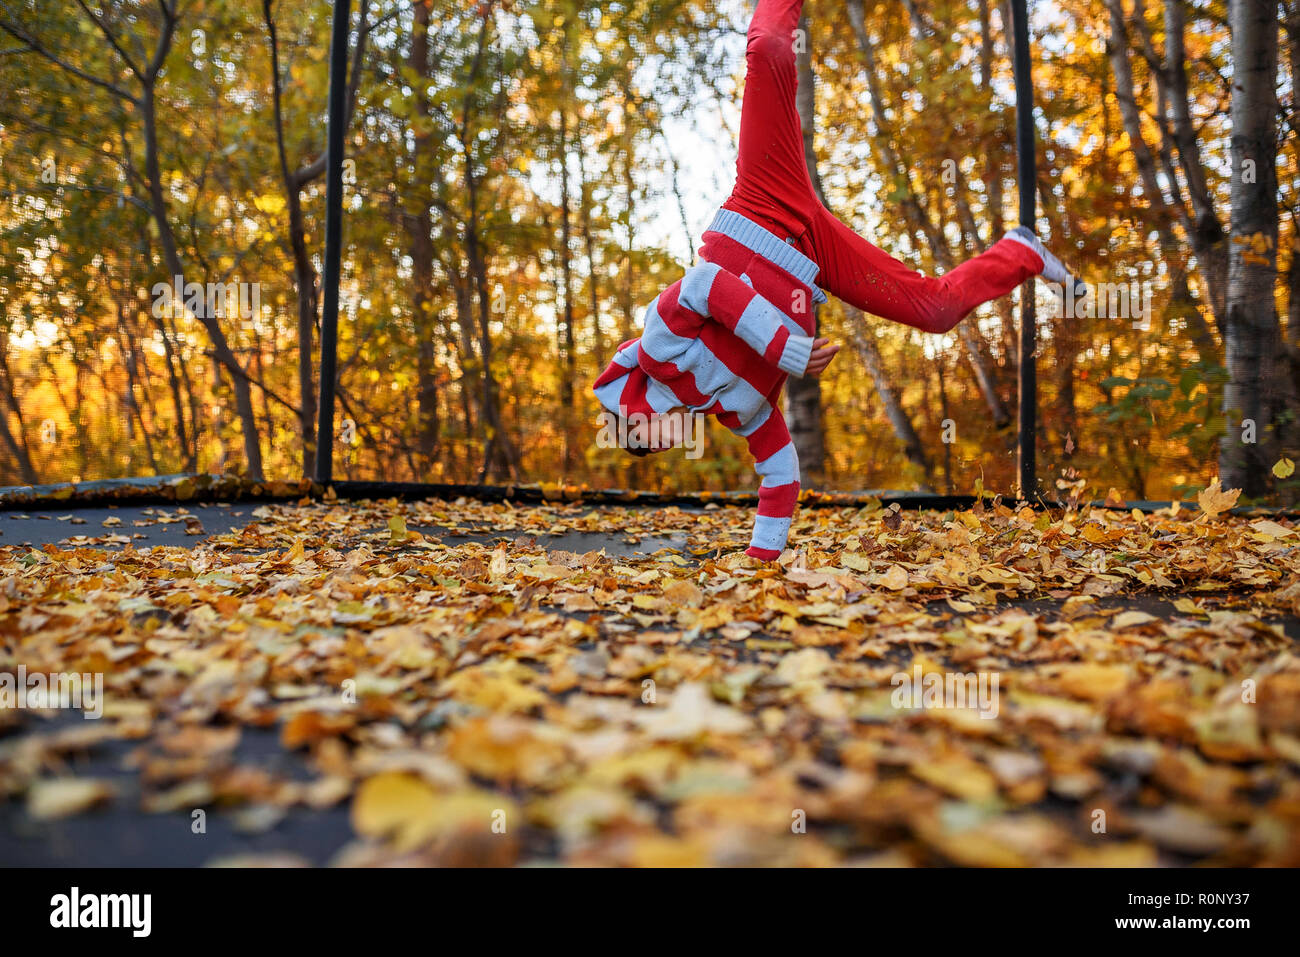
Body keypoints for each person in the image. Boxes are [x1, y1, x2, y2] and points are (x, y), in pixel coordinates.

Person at [592, 0, 1081, 560]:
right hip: (812, 256)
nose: (670, 441)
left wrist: (783, 349)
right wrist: (761, 564)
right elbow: (779, 476)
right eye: (660, 447)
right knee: (934, 312)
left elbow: (706, 286)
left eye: (649, 437)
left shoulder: (659, 348)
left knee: (771, 50)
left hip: (761, 208)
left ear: (638, 412)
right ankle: (1020, 254)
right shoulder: (740, 410)